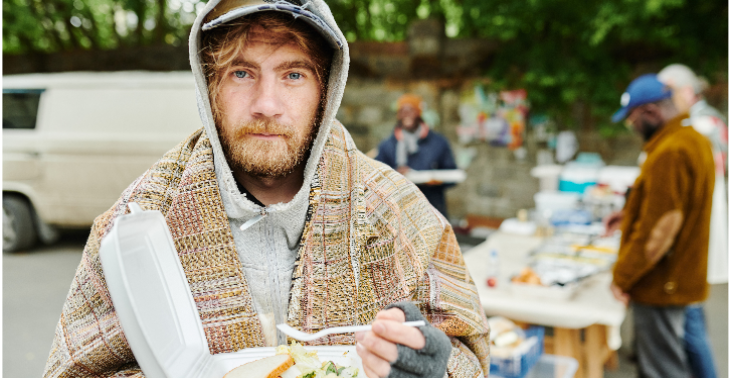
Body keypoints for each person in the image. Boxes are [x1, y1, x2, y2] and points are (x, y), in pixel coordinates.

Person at [42, 2, 490, 378]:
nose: (267, 105)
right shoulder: (138, 222)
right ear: (209, 85)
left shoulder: (398, 210)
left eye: (293, 75)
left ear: (325, 89)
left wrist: (435, 364)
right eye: (241, 73)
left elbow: (467, 353)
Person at [608, 74, 715, 378]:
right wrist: (628, 215)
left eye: (632, 121)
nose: (633, 129)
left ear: (651, 113)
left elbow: (660, 232)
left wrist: (622, 277)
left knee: (663, 369)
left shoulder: (670, 152)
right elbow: (672, 204)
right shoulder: (690, 138)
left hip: (663, 283)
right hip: (679, 276)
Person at [658, 63, 724, 378]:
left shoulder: (702, 125)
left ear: (684, 92)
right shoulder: (701, 122)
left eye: (667, 94)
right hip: (698, 228)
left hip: (695, 231)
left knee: (689, 317)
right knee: (691, 316)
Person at [375, 94, 458, 218]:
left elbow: (452, 175)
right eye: (402, 110)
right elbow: (376, 179)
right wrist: (395, 175)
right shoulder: (387, 145)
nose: (406, 114)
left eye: (410, 110)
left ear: (419, 113)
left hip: (431, 208)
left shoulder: (438, 143)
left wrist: (435, 180)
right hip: (399, 211)